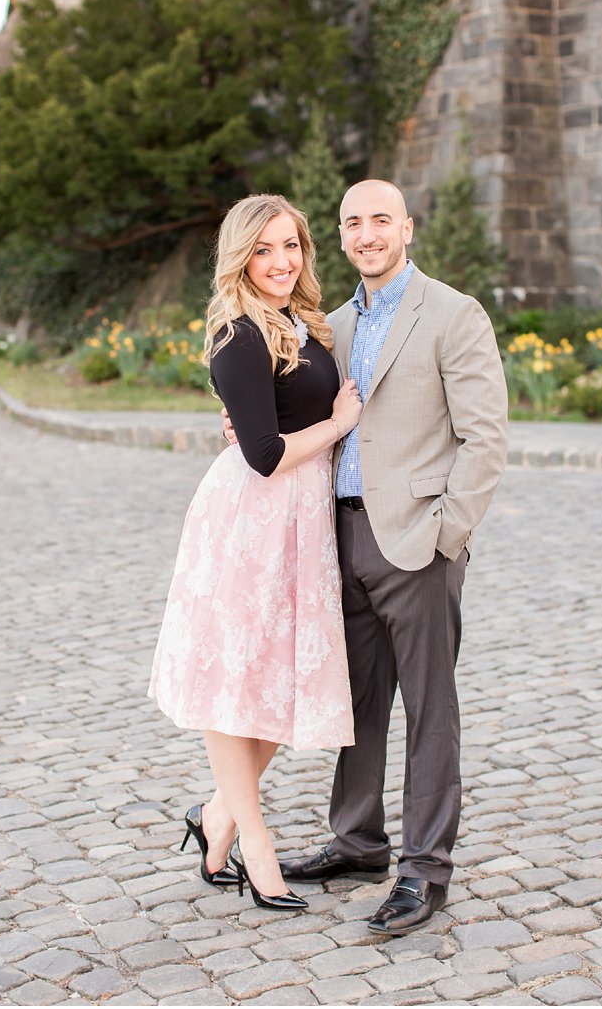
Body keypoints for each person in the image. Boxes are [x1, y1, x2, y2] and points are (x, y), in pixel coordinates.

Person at [257, 179, 510, 935]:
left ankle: (425, 869)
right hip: (343, 536)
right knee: (356, 700)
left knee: (430, 708)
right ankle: (358, 840)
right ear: (339, 237)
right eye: (351, 223)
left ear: (406, 226)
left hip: (417, 542)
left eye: (380, 220)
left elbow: (486, 438)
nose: (366, 234)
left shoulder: (454, 314)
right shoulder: (328, 326)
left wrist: (445, 536)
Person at [150, 194, 363, 911]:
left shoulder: (305, 323)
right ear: (241, 257)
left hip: (302, 523)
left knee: (280, 679)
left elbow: (269, 423)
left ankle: (216, 814)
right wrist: (338, 424)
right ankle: (255, 843)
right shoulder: (237, 334)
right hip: (250, 522)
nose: (281, 261)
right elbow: (267, 455)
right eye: (265, 249)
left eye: (291, 246)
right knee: (236, 679)